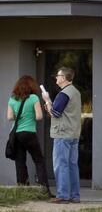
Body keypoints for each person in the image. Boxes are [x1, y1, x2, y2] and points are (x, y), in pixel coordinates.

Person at [7, 75, 52, 197]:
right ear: (31, 85)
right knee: (39, 160)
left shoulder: (12, 99)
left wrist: (20, 117)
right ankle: (44, 190)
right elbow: (39, 117)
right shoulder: (33, 98)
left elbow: (10, 117)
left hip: (16, 134)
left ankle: (22, 191)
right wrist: (29, 117)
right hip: (29, 133)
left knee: (20, 162)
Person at [42, 67, 81, 204]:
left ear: (64, 78)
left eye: (58, 76)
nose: (56, 78)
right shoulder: (75, 92)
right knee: (72, 165)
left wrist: (47, 100)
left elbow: (56, 114)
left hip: (62, 134)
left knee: (61, 165)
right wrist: (50, 106)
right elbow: (60, 112)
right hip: (73, 133)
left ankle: (63, 195)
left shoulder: (64, 93)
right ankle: (75, 196)